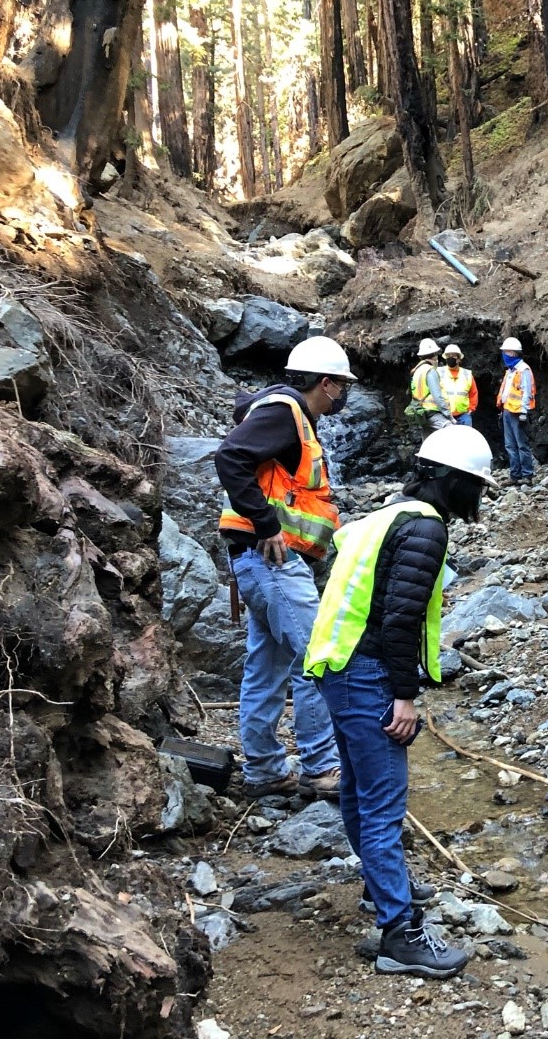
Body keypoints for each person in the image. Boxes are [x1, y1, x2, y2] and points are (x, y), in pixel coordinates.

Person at [304, 425, 498, 979]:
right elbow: (399, 618)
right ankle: (400, 933)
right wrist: (404, 696)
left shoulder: (381, 518)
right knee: (385, 802)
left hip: (335, 666)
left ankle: (379, 889)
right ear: (454, 481)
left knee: (358, 792)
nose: (478, 498)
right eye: (476, 486)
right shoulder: (425, 529)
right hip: (368, 674)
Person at [214, 335, 354, 798]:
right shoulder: (284, 413)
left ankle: (265, 770)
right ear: (328, 383)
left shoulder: (288, 416)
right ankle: (320, 767)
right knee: (317, 659)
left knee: (266, 667)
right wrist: (266, 523)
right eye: (343, 385)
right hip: (271, 559)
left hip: (261, 563)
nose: (345, 394)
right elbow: (230, 457)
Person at [496, 336, 536, 485]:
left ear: (513, 353)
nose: (505, 355)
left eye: (507, 352)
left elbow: (527, 392)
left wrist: (524, 413)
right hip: (507, 410)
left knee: (521, 445)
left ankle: (527, 476)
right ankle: (515, 476)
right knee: (510, 445)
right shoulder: (510, 371)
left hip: (518, 413)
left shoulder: (523, 369)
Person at [407, 338, 452, 435]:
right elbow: (437, 396)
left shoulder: (416, 371)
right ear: (435, 355)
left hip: (421, 413)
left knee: (427, 444)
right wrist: (448, 415)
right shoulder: (430, 371)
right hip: (432, 412)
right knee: (451, 431)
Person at [439, 344, 478, 426]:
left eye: (453, 356)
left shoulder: (467, 374)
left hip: (463, 415)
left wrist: (471, 408)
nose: (450, 358)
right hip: (445, 416)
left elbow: (473, 393)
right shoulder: (439, 372)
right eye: (448, 356)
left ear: (459, 359)